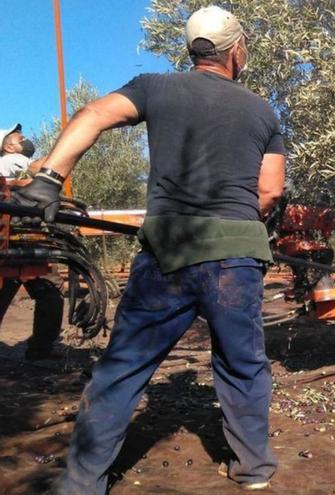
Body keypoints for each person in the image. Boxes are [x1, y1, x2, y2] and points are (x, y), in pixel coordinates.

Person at [13, 5, 285, 493]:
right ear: (236, 50)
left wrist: (48, 179)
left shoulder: (154, 87)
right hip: (236, 261)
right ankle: (253, 470)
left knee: (123, 369)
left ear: (192, 50)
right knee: (243, 366)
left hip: (166, 254)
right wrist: (239, 231)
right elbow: (270, 191)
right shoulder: (263, 111)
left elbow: (93, 114)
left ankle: (81, 482)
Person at [0, 123, 64, 361]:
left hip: (20, 235)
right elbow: (33, 179)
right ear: (7, 146)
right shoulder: (11, 161)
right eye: (20, 138)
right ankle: (41, 349)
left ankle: (42, 348)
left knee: (38, 292)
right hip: (21, 238)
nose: (25, 140)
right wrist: (62, 151)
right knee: (48, 291)